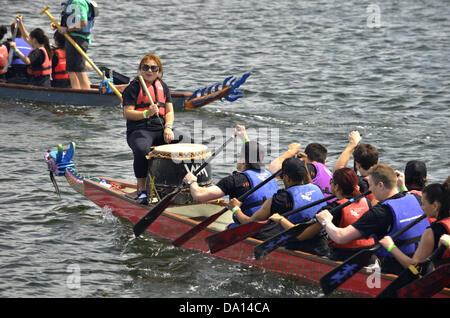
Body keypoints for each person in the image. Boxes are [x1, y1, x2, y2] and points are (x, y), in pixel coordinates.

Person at [316, 163, 430, 275]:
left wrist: (326, 221)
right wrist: (401, 185)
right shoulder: (414, 198)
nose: (369, 189)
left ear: (380, 185)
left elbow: (340, 237)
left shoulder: (380, 213)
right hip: (425, 266)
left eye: (371, 185)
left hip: (397, 272)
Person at [123, 53, 189, 205]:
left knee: (188, 143)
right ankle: (142, 190)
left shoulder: (163, 86)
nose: (149, 71)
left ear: (159, 71)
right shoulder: (133, 88)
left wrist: (168, 127)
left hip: (160, 130)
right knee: (141, 149)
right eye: (145, 67)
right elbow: (127, 113)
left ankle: (179, 186)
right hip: (139, 130)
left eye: (154, 68)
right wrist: (146, 113)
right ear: (140, 69)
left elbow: (170, 112)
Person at [183, 125, 279, 229]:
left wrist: (191, 181)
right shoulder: (269, 175)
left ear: (243, 160)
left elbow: (199, 195)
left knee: (230, 227)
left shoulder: (235, 181)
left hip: (250, 227)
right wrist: (244, 137)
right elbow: (252, 153)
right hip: (272, 225)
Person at [229, 157, 329, 256]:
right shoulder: (316, 188)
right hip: (322, 245)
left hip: (299, 246)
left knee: (232, 227)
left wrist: (235, 209)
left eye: (283, 177)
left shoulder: (280, 199)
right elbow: (307, 181)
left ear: (287, 177)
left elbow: (250, 223)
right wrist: (302, 165)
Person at [277, 168, 375, 261]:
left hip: (343, 256)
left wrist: (280, 219)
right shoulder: (366, 201)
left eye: (331, 181)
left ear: (336, 187)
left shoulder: (332, 209)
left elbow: (301, 236)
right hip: (368, 253)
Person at [379, 178, 450, 269]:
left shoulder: (431, 232)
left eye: (423, 204)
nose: (421, 207)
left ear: (435, 206)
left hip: (440, 280)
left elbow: (414, 267)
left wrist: (391, 246)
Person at [53, 0, 97, 89]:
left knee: (79, 70)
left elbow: (82, 22)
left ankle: (85, 93)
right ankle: (76, 91)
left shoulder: (77, 2)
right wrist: (59, 26)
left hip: (78, 39)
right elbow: (73, 20)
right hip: (73, 38)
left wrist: (67, 29)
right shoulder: (73, 2)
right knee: (71, 70)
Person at [269, 142, 333, 199]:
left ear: (305, 156)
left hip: (322, 207)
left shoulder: (312, 167)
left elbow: (274, 169)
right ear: (324, 162)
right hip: (330, 206)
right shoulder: (329, 173)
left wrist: (290, 152)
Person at [333, 130, 379, 204]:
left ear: (357, 164)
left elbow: (337, 171)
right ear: (378, 161)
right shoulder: (384, 179)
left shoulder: (359, 182)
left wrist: (352, 144)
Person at [9, 16, 52, 87]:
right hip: (44, 83)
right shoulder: (45, 48)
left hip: (38, 84)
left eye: (31, 39)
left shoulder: (38, 52)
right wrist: (20, 23)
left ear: (34, 40)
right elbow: (26, 36)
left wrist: (16, 49)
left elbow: (27, 61)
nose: (28, 40)